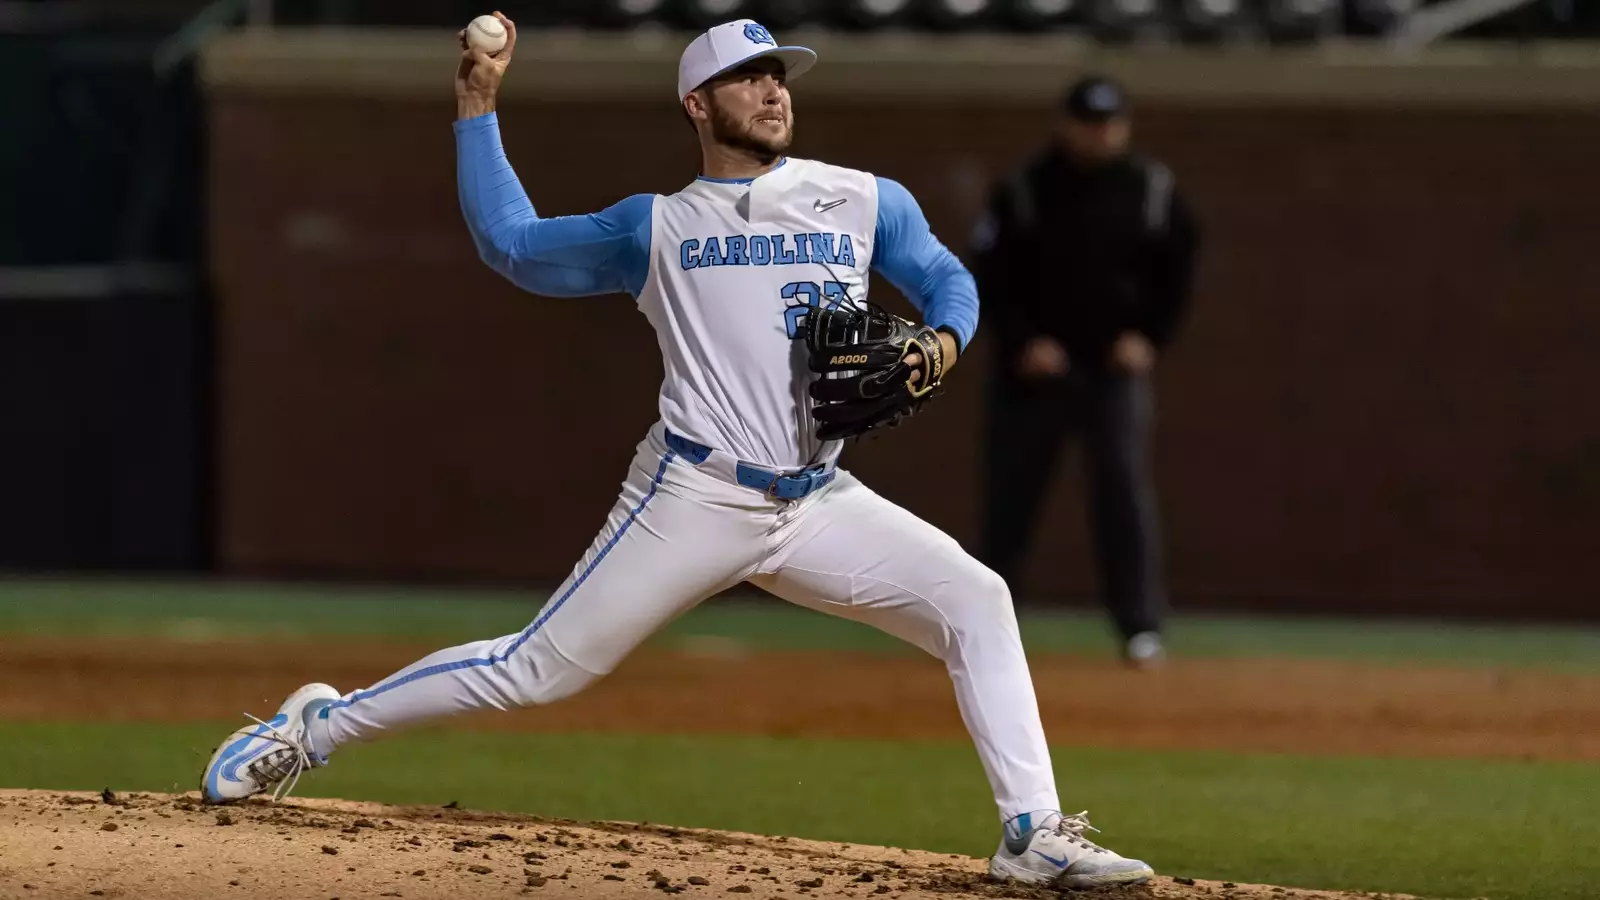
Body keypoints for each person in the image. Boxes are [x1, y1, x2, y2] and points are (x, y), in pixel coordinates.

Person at [196, 17, 1153, 889]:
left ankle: (1029, 831)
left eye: (778, 74)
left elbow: (947, 278)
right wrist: (477, 104)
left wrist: (941, 342)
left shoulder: (860, 199)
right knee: (537, 670)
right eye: (747, 78)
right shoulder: (654, 226)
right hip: (694, 493)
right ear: (698, 104)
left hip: (817, 502)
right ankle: (313, 729)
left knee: (976, 598)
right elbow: (512, 246)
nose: (773, 91)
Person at [971, 75, 1200, 669]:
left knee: (1123, 494)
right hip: (1034, 372)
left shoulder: (1150, 189)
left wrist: (1148, 337)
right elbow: (991, 280)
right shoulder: (1024, 188)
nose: (1098, 134)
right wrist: (1024, 341)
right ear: (1064, 123)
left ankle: (1139, 628)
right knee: (1010, 500)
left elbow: (1178, 272)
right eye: (1088, 121)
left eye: (1109, 123)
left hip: (1110, 372)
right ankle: (985, 629)